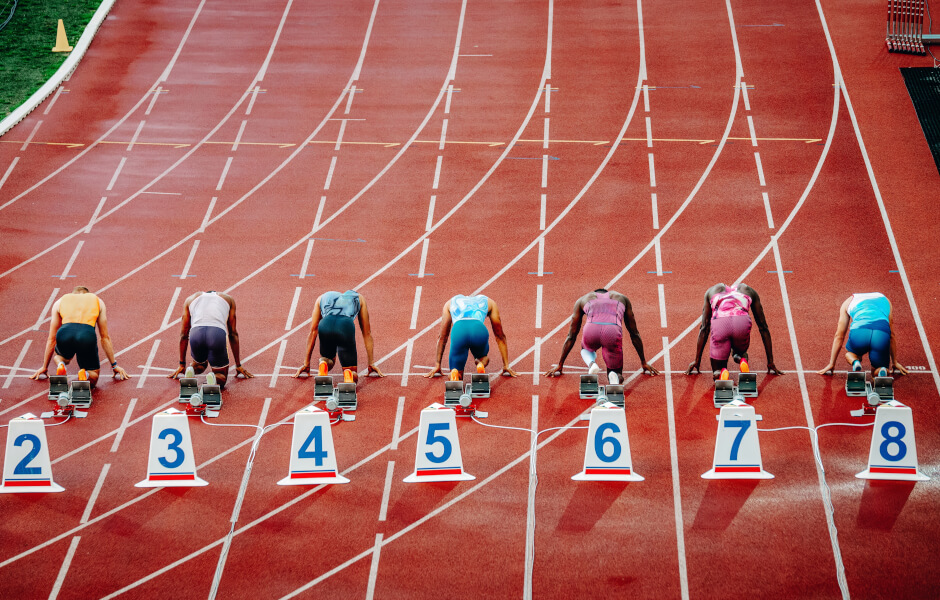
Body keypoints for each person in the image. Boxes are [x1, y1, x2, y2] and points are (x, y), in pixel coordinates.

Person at [545, 289, 659, 382]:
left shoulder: (583, 300)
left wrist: (560, 364)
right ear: (608, 293)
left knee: (586, 349)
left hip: (591, 329)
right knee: (616, 372)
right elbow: (634, 333)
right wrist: (643, 361)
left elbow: (571, 335)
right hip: (612, 330)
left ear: (595, 293)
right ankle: (614, 377)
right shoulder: (622, 298)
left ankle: (591, 364)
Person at [30, 286, 130, 388]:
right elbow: (105, 337)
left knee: (60, 356)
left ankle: (61, 364)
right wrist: (114, 366)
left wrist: (44, 366)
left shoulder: (60, 302)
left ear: (73, 294)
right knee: (94, 376)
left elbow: (51, 339)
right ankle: (85, 374)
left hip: (65, 332)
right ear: (87, 293)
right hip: (86, 335)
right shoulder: (98, 301)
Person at [686, 283, 783, 377]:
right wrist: (770, 361)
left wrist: (697, 360)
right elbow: (763, 327)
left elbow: (704, 328)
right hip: (741, 322)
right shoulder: (748, 290)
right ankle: (740, 358)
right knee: (739, 351)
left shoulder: (712, 291)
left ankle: (719, 373)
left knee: (718, 368)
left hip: (721, 323)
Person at [293, 290, 384, 381]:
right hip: (345, 326)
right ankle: (349, 374)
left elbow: (313, 332)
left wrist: (306, 363)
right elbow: (367, 333)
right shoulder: (359, 298)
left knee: (328, 359)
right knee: (352, 373)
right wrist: (371, 363)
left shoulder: (321, 298)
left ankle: (323, 363)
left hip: (325, 324)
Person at [168, 291, 253, 388]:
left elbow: (183, 334)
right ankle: (214, 378)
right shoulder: (229, 299)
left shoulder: (190, 299)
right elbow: (233, 334)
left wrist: (182, 365)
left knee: (200, 365)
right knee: (221, 375)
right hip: (216, 333)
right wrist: (238, 365)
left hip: (196, 333)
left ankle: (191, 370)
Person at [425, 294, 518, 378]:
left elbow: (442, 337)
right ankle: (480, 363)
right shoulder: (489, 302)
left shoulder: (450, 303)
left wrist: (437, 364)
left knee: (457, 371)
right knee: (484, 358)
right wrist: (506, 365)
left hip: (459, 330)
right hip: (478, 329)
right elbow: (500, 335)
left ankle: (456, 373)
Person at [817, 293, 907, 376]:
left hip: (860, 333)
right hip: (880, 335)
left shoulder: (848, 302)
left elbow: (839, 336)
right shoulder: (886, 300)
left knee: (850, 354)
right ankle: (880, 370)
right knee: (879, 367)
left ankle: (855, 361)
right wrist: (894, 362)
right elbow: (892, 335)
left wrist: (832, 363)